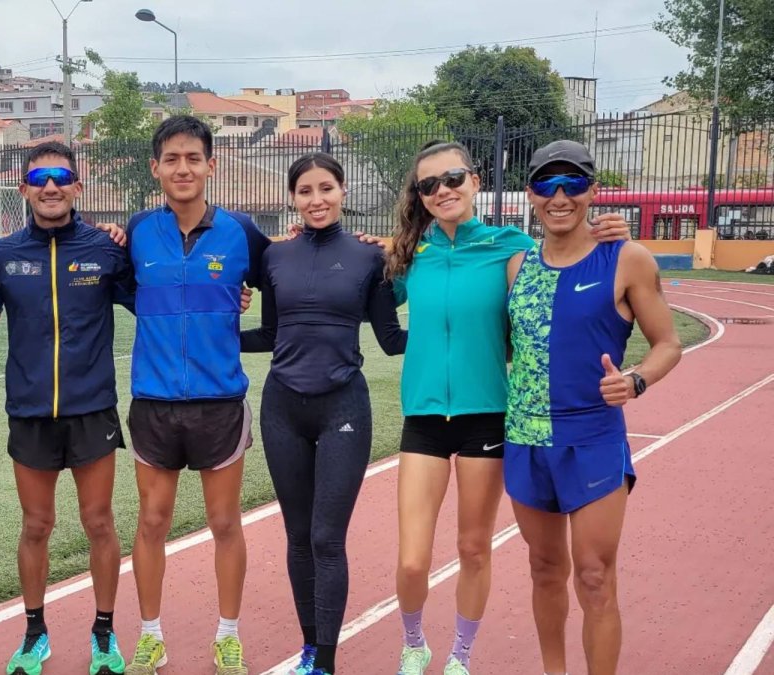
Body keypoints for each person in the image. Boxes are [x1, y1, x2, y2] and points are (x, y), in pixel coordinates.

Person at [384, 141, 632, 675]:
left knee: (474, 548)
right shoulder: (410, 255)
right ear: (420, 197)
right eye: (429, 185)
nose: (443, 191)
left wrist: (607, 238)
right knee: (411, 558)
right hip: (423, 417)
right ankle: (413, 643)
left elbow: (565, 259)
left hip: (489, 417)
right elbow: (361, 291)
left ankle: (461, 656)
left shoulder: (509, 246)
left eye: (452, 179)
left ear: (473, 181)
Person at [505, 140, 681, 675]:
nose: (560, 196)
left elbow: (668, 344)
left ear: (593, 192)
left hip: (592, 437)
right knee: (542, 568)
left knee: (595, 575)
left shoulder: (625, 257)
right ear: (530, 194)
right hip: (525, 439)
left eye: (573, 184)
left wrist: (636, 381)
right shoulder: (516, 265)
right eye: (547, 185)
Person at [239, 152, 406, 675]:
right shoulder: (274, 257)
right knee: (296, 536)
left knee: (326, 538)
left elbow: (391, 339)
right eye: (306, 191)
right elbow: (270, 334)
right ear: (293, 197)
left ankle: (326, 663)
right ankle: (309, 646)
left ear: (343, 193)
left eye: (326, 189)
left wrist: (464, 328)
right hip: (282, 407)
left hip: (343, 407)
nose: (317, 200)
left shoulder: (369, 257)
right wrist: (208, 334)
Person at [121, 115, 274, 675]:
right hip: (154, 404)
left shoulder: (243, 233)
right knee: (151, 522)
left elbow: (278, 283)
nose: (182, 168)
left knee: (225, 523)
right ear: (155, 167)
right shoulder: (137, 231)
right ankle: (150, 636)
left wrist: (239, 329)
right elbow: (117, 288)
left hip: (218, 404)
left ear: (211, 165)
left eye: (193, 158)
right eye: (171, 159)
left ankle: (228, 635)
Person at [0, 141, 133, 675]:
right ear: (23, 188)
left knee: (99, 522)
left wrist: (233, 296)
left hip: (92, 410)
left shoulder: (109, 248)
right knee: (36, 525)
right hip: (29, 412)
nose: (50, 186)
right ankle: (35, 634)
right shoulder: (0, 256)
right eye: (39, 178)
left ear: (77, 187)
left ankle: (104, 636)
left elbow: (159, 300)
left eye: (60, 176)